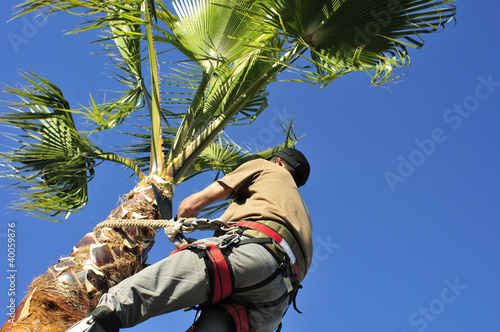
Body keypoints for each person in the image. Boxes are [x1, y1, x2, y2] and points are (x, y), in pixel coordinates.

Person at [68, 147, 312, 332]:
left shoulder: (267, 168)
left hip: (250, 254)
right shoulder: (303, 214)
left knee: (129, 298)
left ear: (278, 161)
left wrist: (178, 220)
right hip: (276, 302)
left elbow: (194, 204)